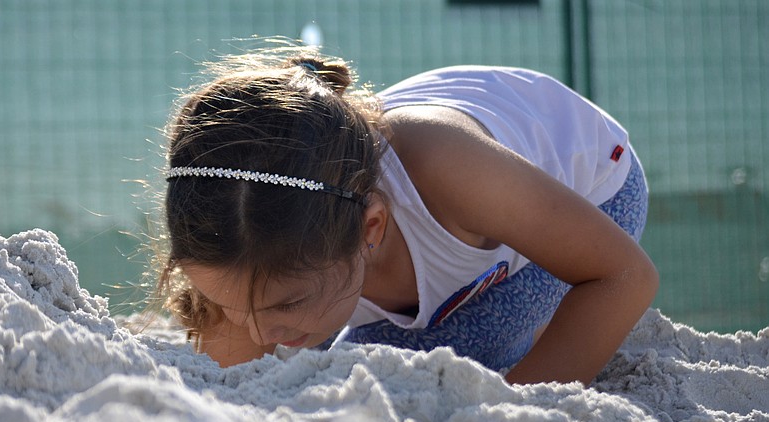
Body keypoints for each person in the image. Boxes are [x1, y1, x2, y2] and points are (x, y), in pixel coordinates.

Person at [151, 46, 659, 385]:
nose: (260, 332)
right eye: (230, 301)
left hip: (594, 189)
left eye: (289, 301)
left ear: (370, 227)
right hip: (375, 237)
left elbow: (624, 275)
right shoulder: (240, 251)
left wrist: (522, 412)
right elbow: (239, 371)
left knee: (433, 361)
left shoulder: (447, 171)